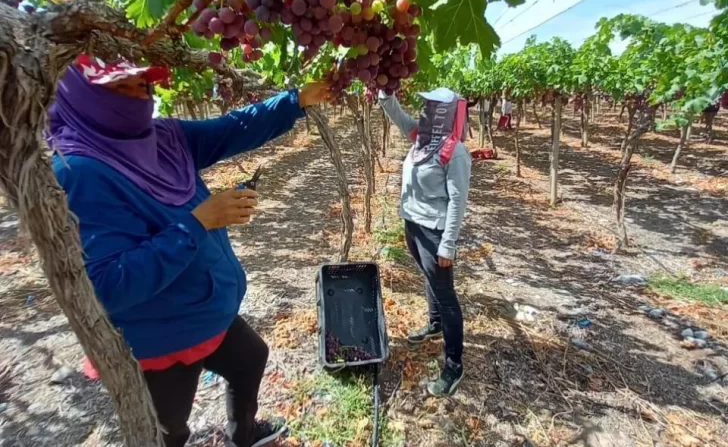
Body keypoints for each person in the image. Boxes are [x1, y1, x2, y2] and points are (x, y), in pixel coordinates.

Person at [49, 55, 331, 447]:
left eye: (143, 86)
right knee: (171, 431)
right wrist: (197, 223)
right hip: (160, 338)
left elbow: (232, 128)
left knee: (250, 358)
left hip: (204, 311)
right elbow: (107, 285)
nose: (136, 97)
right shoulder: (79, 172)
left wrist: (296, 99)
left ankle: (244, 436)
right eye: (119, 88)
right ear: (81, 97)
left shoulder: (163, 138)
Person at [379, 87, 472, 397]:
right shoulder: (421, 138)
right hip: (413, 223)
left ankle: (454, 365)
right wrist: (383, 88)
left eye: (433, 107)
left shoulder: (453, 151)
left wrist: (448, 244)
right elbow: (396, 113)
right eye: (425, 106)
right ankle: (434, 325)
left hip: (435, 230)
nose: (426, 111)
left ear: (446, 113)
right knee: (427, 277)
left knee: (446, 294)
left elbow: (458, 201)